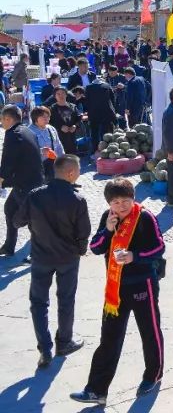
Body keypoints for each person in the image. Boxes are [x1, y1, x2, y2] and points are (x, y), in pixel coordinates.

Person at [71, 178, 166, 405]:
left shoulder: (144, 217)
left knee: (149, 332)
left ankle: (153, 374)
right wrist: (108, 230)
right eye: (115, 202)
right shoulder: (108, 217)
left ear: (133, 199)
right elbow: (95, 248)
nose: (121, 206)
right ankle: (96, 389)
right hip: (115, 289)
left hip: (143, 285)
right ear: (109, 203)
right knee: (109, 339)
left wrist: (135, 256)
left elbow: (159, 247)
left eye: (125, 200)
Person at [14, 154, 90, 368]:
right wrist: (80, 250)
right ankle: (64, 342)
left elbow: (17, 221)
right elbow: (84, 232)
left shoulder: (35, 196)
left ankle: (45, 348)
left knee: (38, 303)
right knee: (66, 299)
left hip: (41, 256)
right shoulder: (78, 199)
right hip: (68, 258)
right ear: (71, 173)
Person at [1, 104, 45, 258]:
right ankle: (9, 246)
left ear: (8, 118)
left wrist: (1, 179)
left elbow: (7, 161)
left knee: (33, 220)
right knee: (10, 208)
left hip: (26, 185)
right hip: (32, 180)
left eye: (2, 120)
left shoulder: (12, 134)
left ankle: (40, 252)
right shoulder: (27, 130)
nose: (2, 123)